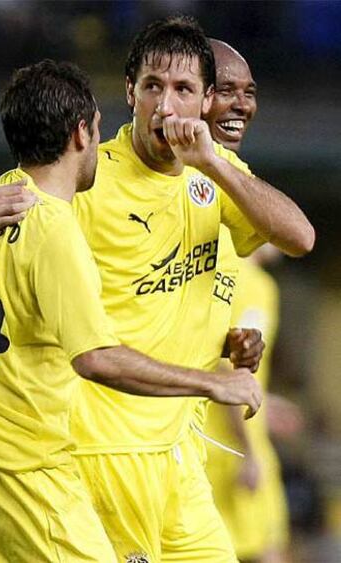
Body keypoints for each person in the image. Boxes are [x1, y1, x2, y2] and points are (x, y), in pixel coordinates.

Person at [0, 16, 315, 563]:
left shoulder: (215, 174)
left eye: (184, 90)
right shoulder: (83, 180)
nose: (166, 106)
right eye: (152, 88)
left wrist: (218, 337)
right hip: (102, 452)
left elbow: (300, 237)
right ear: (129, 93)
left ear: (204, 100)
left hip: (179, 452)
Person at [196, 39, 297, 563]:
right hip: (235, 447)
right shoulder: (253, 284)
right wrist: (248, 451)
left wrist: (271, 405)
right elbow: (233, 363)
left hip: (213, 439)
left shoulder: (214, 263)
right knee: (266, 553)